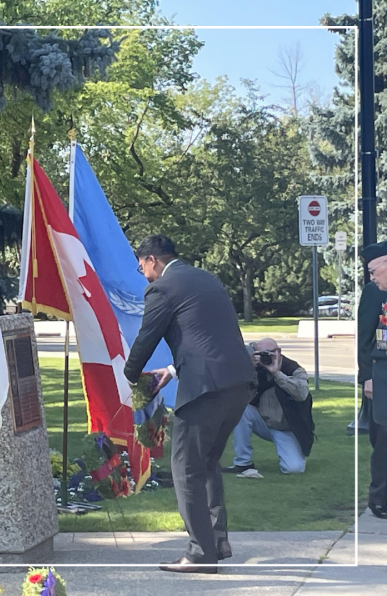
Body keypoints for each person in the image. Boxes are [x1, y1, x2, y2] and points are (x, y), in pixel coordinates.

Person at [124, 235, 255, 573]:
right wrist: (171, 370)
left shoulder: (162, 288)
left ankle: (199, 554)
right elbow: (208, 335)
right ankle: (216, 542)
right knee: (206, 461)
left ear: (152, 260)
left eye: (141, 267)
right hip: (240, 382)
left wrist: (129, 375)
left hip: (205, 389)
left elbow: (147, 336)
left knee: (185, 467)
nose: (143, 275)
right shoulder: (205, 278)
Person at [222, 338, 314, 476]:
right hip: (263, 422)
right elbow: (237, 394)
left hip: (288, 427)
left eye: (268, 353)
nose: (265, 357)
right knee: (241, 409)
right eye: (260, 354)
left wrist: (277, 374)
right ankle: (242, 462)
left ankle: (291, 451)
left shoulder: (293, 369)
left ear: (278, 352)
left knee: (293, 469)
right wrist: (250, 369)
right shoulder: (256, 369)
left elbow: (301, 394)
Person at [358, 241, 387, 519]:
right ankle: (380, 498)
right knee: (383, 439)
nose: (371, 277)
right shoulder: (373, 293)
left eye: (373, 270)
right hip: (380, 377)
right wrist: (367, 376)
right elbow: (366, 338)